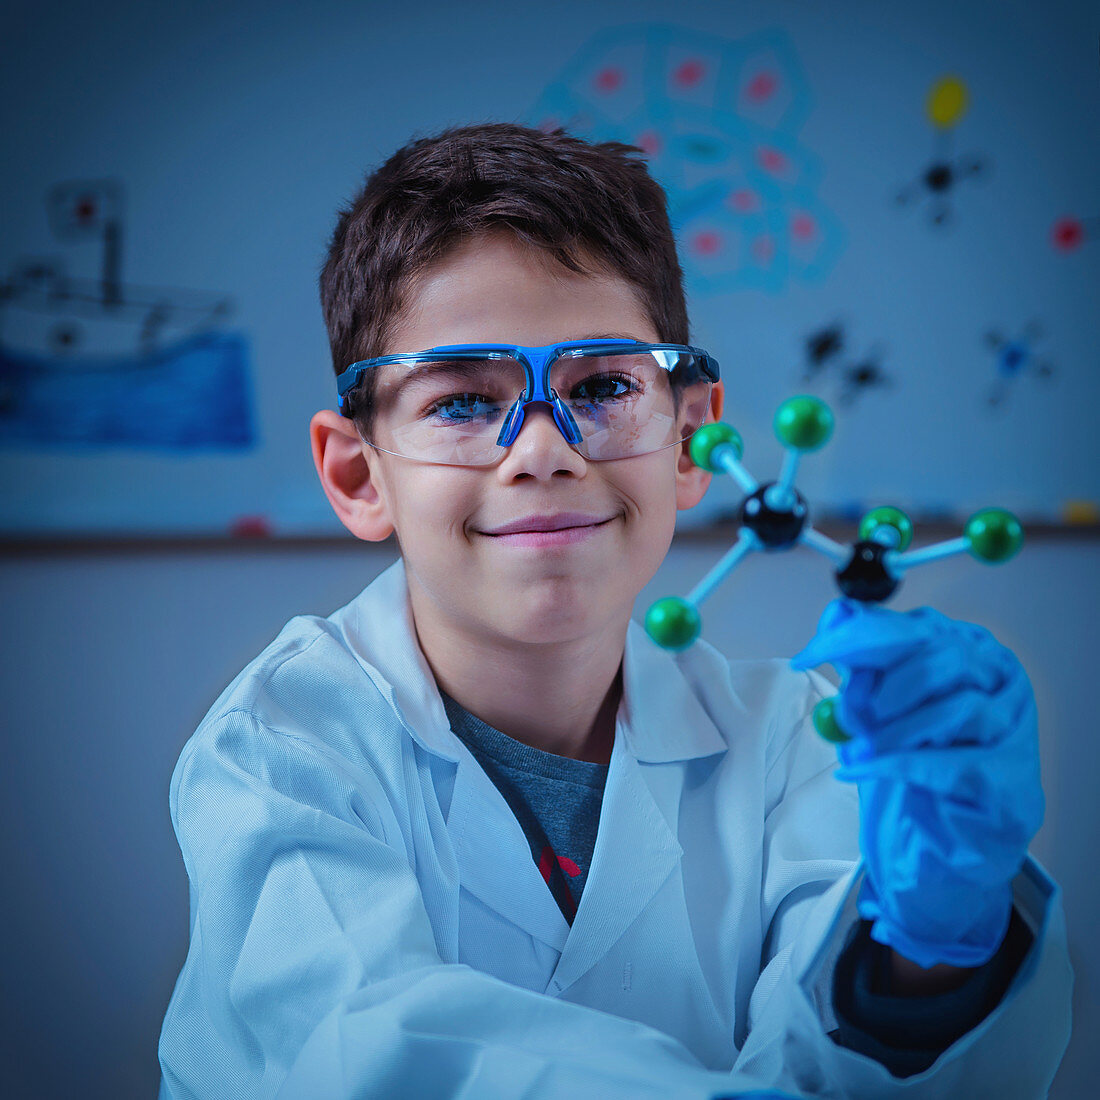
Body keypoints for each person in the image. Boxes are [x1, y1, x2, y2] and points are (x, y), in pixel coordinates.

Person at [157, 122, 1072, 1098]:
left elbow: (863, 1065)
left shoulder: (800, 739)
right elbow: (367, 1048)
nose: (540, 450)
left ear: (690, 443)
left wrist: (933, 945)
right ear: (356, 472)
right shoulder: (279, 748)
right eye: (462, 402)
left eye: (599, 385)